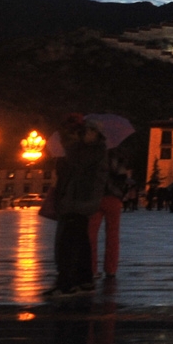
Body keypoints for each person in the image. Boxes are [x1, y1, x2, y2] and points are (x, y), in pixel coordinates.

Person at [48, 116, 108, 297]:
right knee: (80, 242)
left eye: (90, 131)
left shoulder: (92, 151)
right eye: (85, 131)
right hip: (78, 200)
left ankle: (67, 283)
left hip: (80, 200)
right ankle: (84, 280)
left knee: (68, 244)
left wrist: (70, 146)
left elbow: (77, 163)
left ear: (97, 135)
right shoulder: (89, 150)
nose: (86, 134)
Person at [89, 158, 128, 277]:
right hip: (113, 198)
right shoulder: (116, 157)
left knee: (90, 234)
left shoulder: (91, 156)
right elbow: (123, 178)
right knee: (113, 234)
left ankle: (92, 268)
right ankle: (111, 268)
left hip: (94, 198)